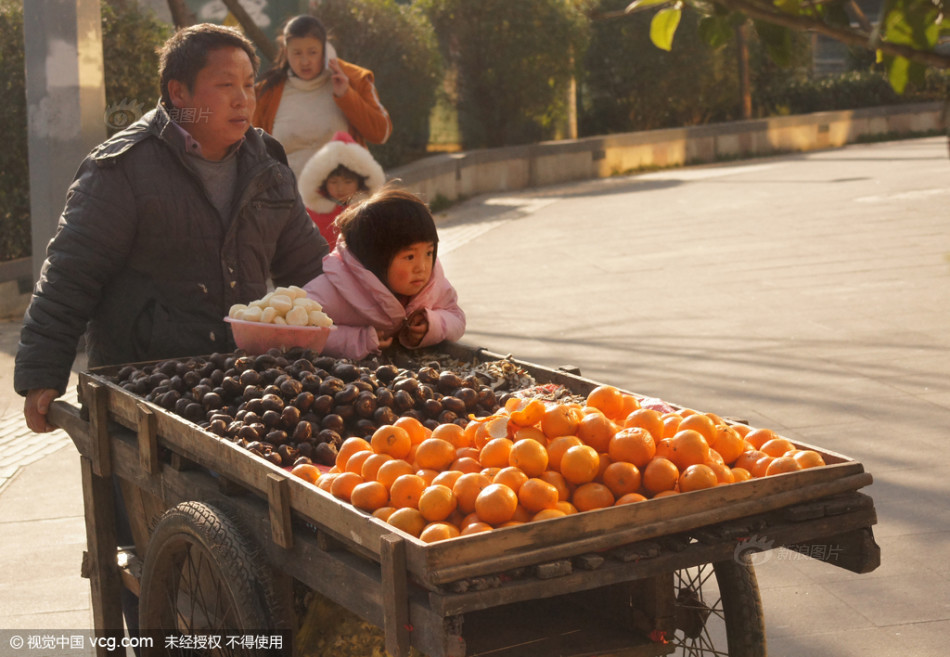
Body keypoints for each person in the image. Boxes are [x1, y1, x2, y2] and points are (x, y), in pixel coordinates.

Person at [303, 187, 466, 360]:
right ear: (375, 258)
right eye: (410, 257)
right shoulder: (333, 290)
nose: (422, 267)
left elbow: (456, 316)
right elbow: (298, 330)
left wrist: (431, 325)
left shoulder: (433, 285)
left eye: (428, 253)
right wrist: (359, 340)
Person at [253, 14, 392, 178]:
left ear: (326, 50)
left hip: (346, 200)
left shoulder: (354, 79)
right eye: (297, 53)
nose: (305, 61)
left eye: (312, 52)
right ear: (285, 51)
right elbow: (254, 154)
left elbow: (381, 133)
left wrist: (346, 95)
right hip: (289, 199)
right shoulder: (265, 93)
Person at [298, 130, 386, 250]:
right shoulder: (311, 215)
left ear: (360, 182)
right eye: (333, 182)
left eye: (348, 182)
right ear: (322, 182)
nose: (340, 188)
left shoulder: (373, 209)